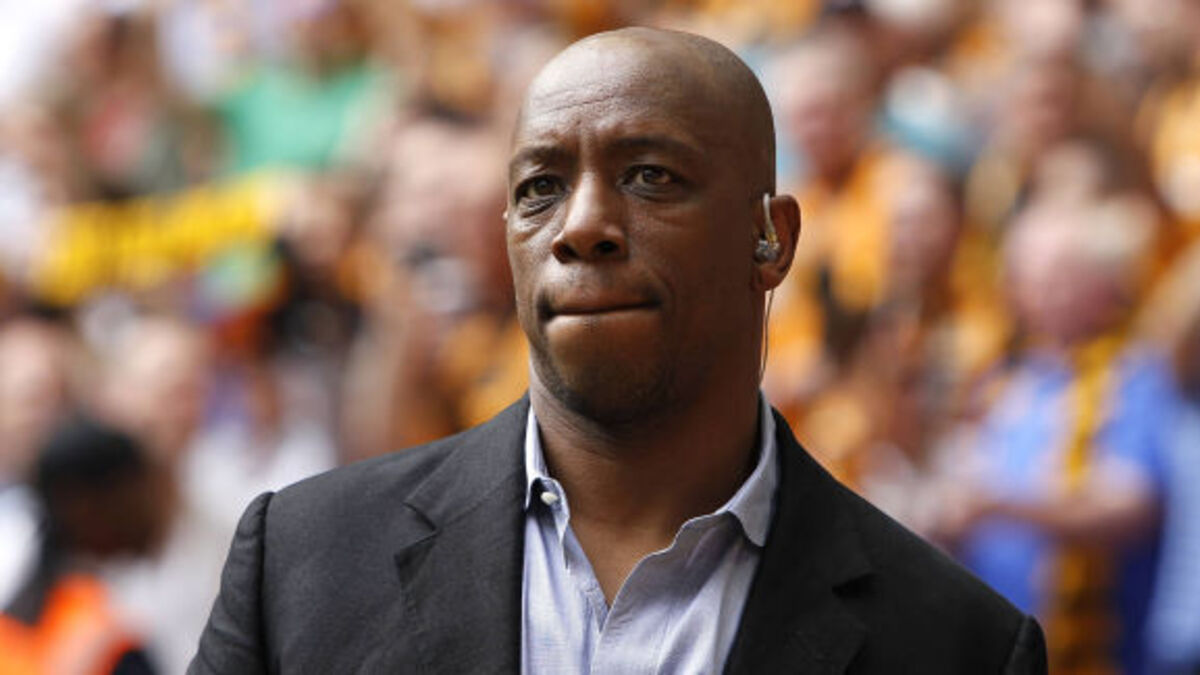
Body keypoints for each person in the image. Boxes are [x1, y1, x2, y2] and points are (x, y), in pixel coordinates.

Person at [190, 27, 1046, 674]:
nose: (583, 225)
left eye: (650, 176)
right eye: (541, 187)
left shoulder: (959, 645)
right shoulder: (300, 562)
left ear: (772, 239)